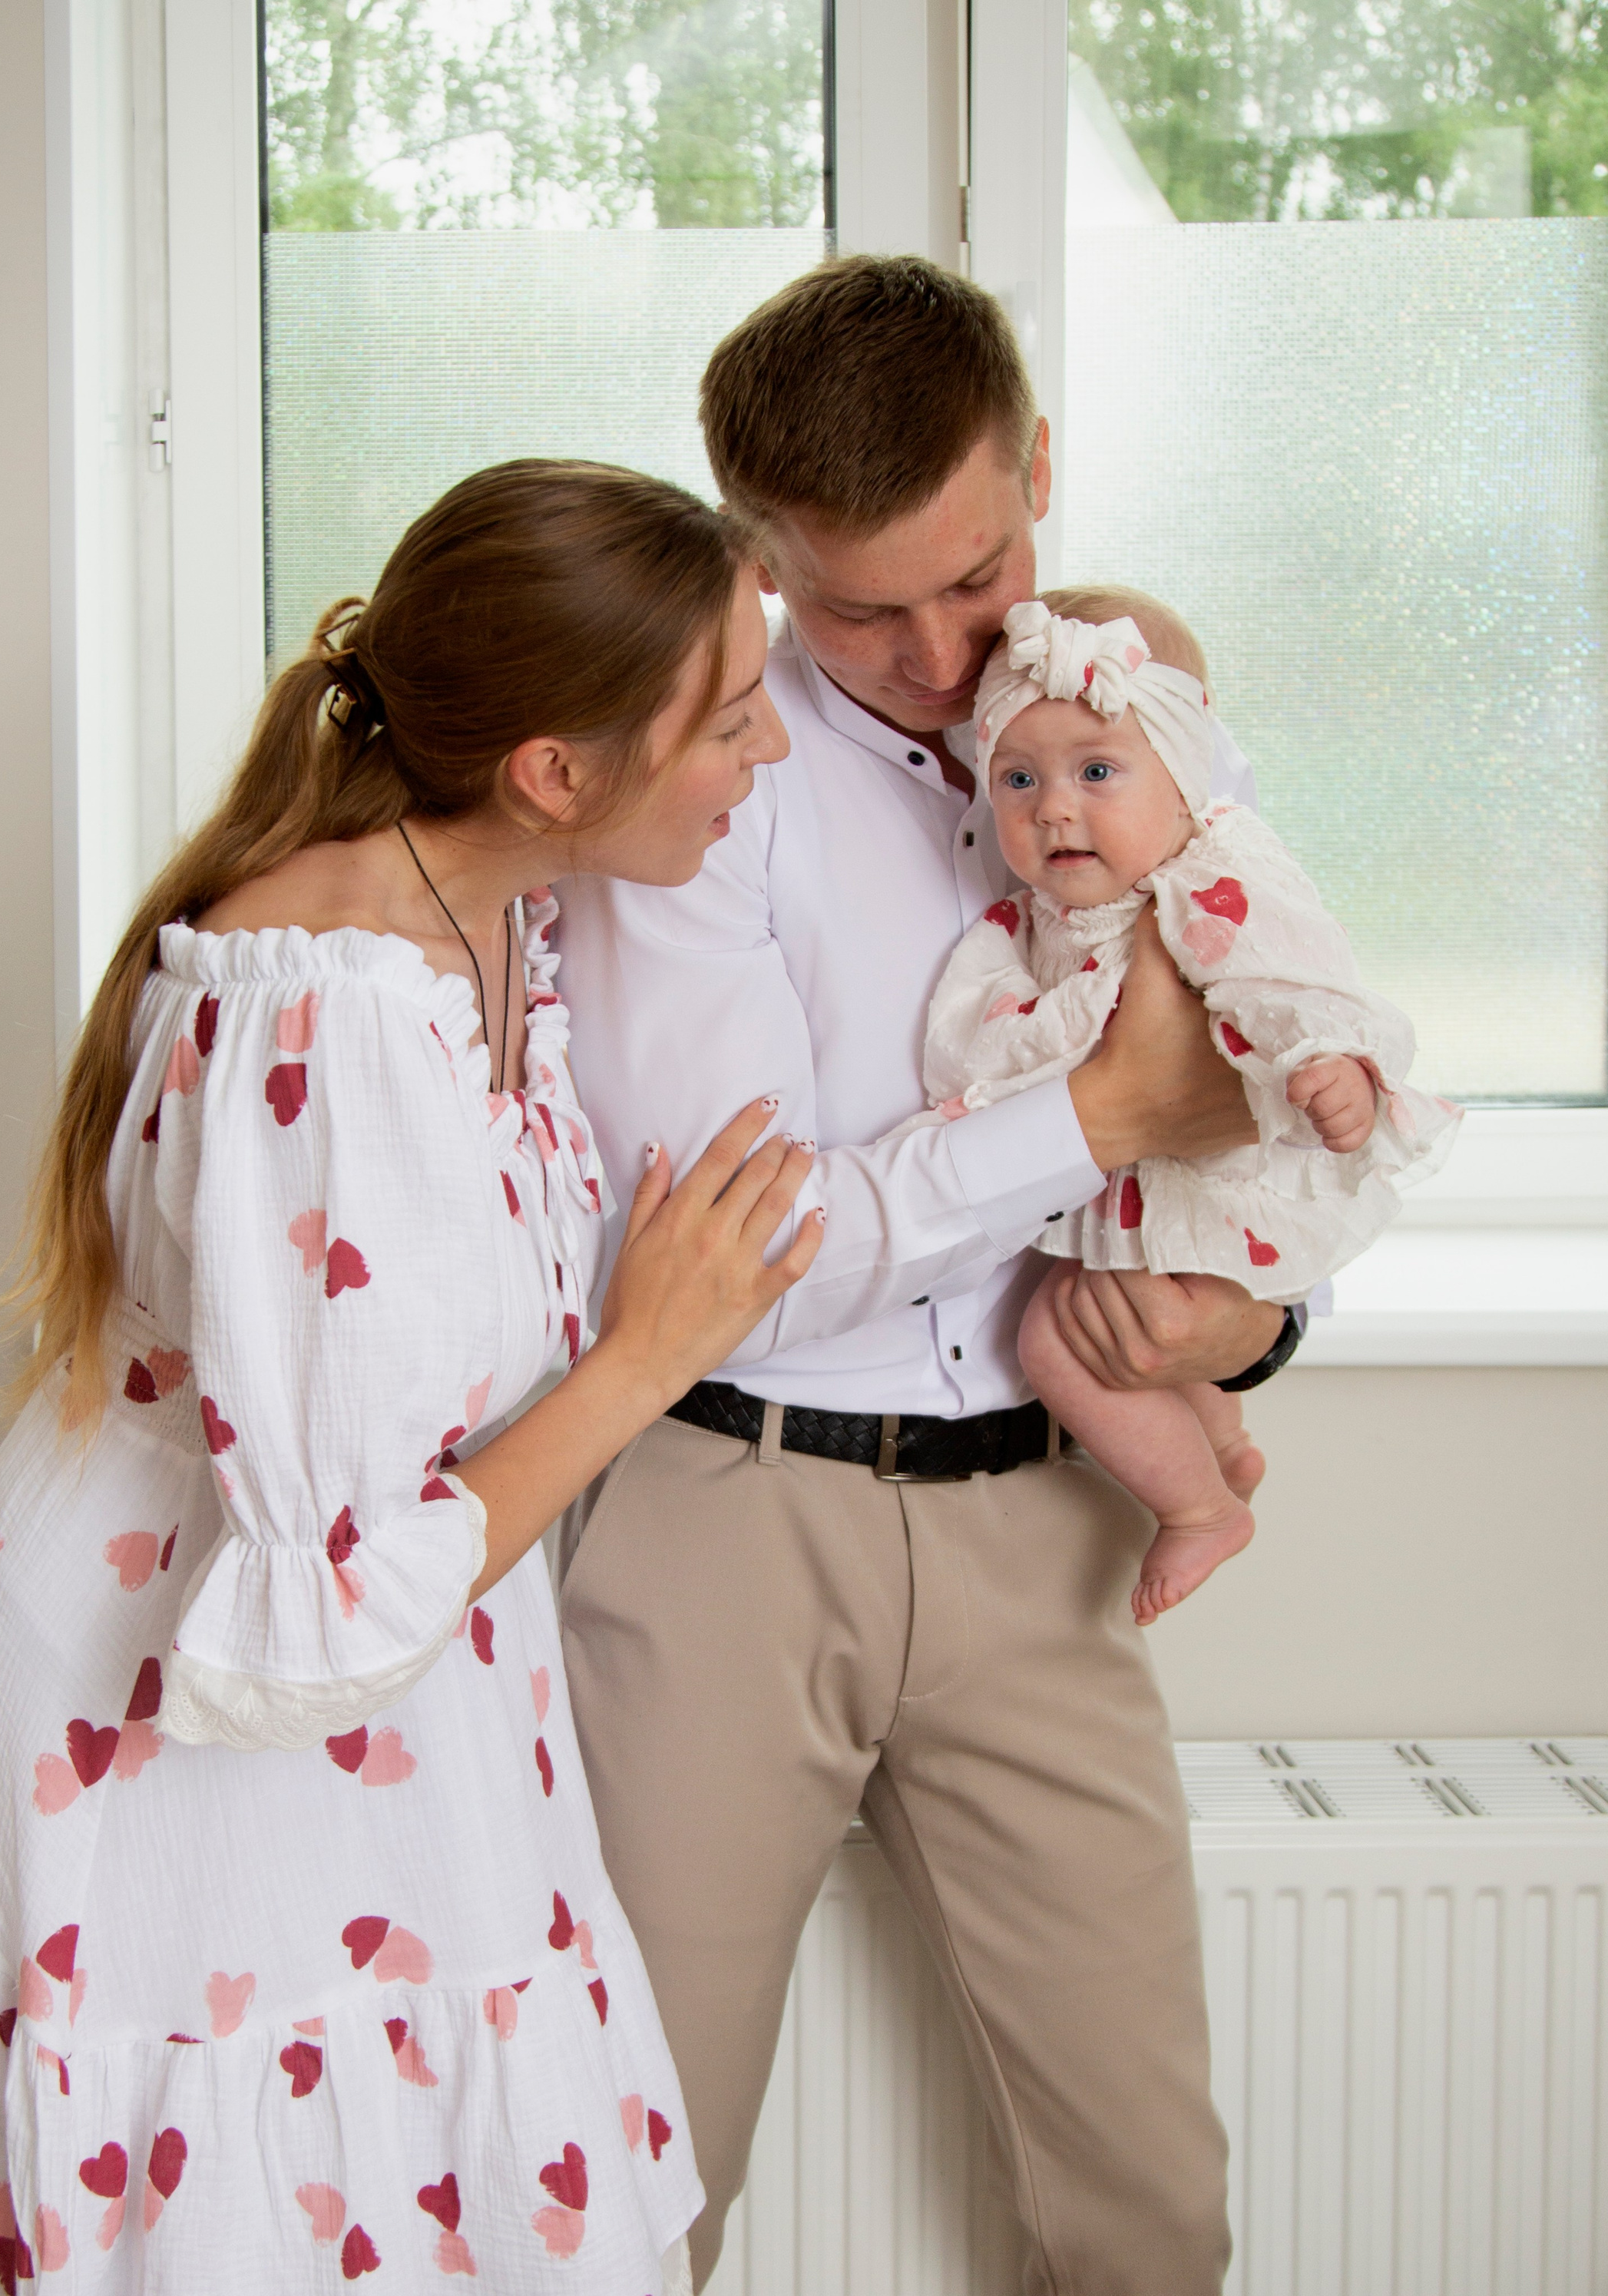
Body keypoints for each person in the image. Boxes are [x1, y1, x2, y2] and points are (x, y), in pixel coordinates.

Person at [0, 460, 823, 2296]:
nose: (765, 753)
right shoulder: (335, 1005)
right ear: (549, 770)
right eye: (732, 719)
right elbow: (326, 1606)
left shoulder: (497, 912)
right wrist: (649, 1352)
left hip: (388, 1689)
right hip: (195, 1692)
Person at [553, 258, 1303, 2291]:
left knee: (1147, 2208)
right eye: (856, 605)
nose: (938, 651)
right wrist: (1101, 1120)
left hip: (1041, 1519)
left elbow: (1272, 1057)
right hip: (730, 1507)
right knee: (628, 2184)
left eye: (976, 574)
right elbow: (736, 1265)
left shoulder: (1138, 718)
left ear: (1038, 468)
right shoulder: (699, 786)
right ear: (760, 558)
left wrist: (1256, 1319)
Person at [899, 587, 1457, 1623]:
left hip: (1213, 1187)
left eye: (1096, 772)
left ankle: (1200, 1506)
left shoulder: (1212, 873)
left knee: (1054, 1341)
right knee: (1098, 1317)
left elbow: (1299, 970)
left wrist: (1330, 1060)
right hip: (1135, 1188)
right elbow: (971, 1027)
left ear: (1185, 769)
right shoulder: (1034, 917)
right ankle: (1225, 1450)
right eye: (1018, 778)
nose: (1053, 807)